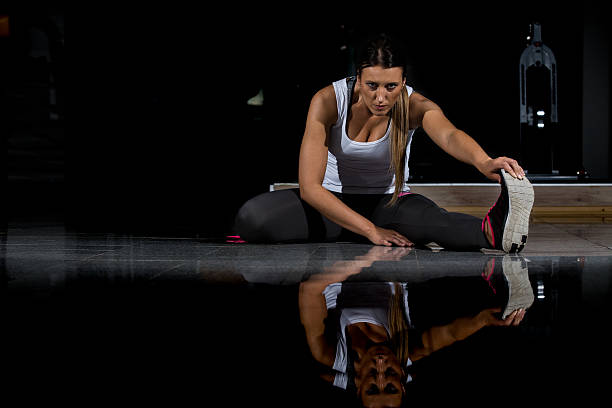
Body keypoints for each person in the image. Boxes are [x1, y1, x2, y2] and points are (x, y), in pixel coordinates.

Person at [233, 32, 534, 252]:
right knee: (252, 219)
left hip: (389, 204)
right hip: (331, 203)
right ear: (358, 78)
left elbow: (449, 134)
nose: (381, 97)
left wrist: (484, 161)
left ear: (402, 83)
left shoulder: (414, 104)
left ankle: (496, 229)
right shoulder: (328, 101)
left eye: (391, 87)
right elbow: (310, 188)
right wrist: (370, 231)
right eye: (372, 86)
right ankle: (349, 230)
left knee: (436, 223)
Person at [298, 245, 530, 407]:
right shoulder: (407, 350)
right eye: (390, 376)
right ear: (402, 378)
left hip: (334, 260)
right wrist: (483, 320)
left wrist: (363, 260)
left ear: (358, 385)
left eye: (372, 379)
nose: (380, 365)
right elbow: (450, 333)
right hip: (389, 262)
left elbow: (310, 288)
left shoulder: (330, 353)